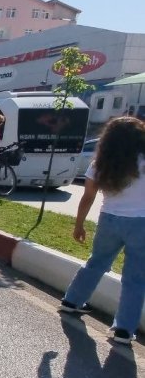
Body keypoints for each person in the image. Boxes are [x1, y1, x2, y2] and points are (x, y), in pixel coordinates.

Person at [59, 117, 145, 345]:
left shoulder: (100, 163)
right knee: (135, 278)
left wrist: (79, 225)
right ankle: (124, 329)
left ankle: (72, 301)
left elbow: (87, 198)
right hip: (141, 223)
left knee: (96, 262)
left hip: (109, 220)